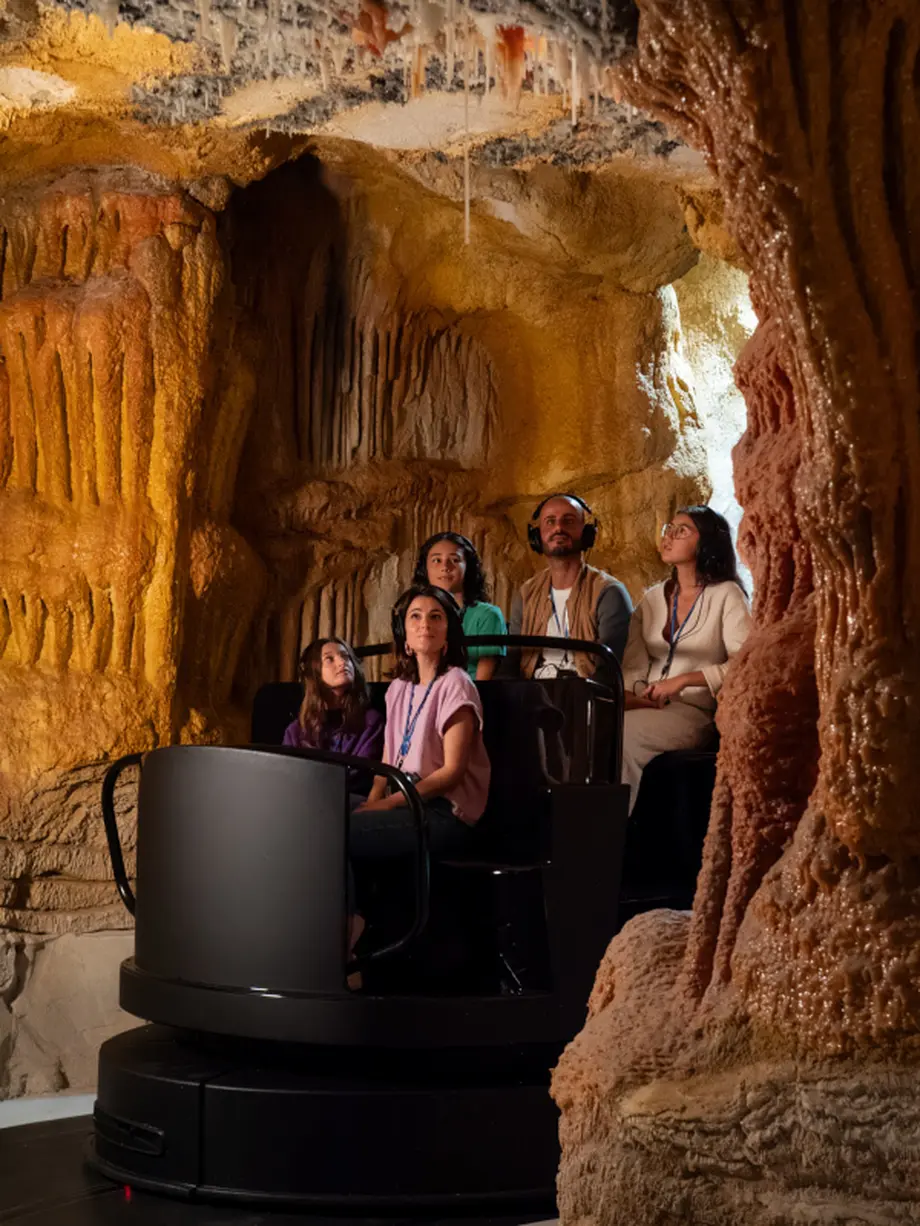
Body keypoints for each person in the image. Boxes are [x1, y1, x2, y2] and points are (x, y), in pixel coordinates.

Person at [621, 506, 752, 812]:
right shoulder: (652, 599)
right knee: (595, 728)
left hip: (695, 711)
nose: (669, 536)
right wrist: (635, 696)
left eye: (682, 530)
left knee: (625, 735)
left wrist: (683, 681)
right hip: (647, 705)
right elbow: (633, 665)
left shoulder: (727, 595)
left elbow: (746, 664)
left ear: (706, 542)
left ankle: (621, 828)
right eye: (669, 528)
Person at [353, 585, 491, 859]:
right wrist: (373, 801)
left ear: (448, 632)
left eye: (435, 617)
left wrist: (388, 805)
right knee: (325, 815)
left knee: (343, 832)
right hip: (404, 799)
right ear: (404, 633)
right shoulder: (398, 688)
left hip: (443, 811)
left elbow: (452, 772)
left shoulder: (456, 683)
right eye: (415, 616)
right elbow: (388, 758)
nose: (424, 624)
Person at [509, 493, 632, 679]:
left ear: (587, 532)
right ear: (537, 535)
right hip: (532, 691)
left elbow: (608, 671)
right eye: (550, 521)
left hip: (585, 690)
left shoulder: (608, 592)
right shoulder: (526, 594)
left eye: (569, 521)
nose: (558, 528)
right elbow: (511, 661)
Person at [282, 638, 384, 789]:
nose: (342, 662)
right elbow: (287, 778)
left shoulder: (371, 722)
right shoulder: (296, 731)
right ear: (314, 672)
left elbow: (361, 776)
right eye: (329, 659)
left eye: (346, 657)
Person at [413, 532, 507, 681]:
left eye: (454, 560)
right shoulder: (414, 616)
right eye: (437, 560)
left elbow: (483, 685)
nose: (445, 567)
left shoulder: (487, 615)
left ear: (468, 567)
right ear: (425, 569)